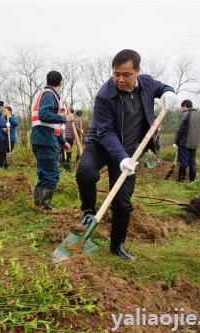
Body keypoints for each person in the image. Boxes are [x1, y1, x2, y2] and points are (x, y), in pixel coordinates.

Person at [76, 49, 176, 260]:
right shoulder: (105, 96)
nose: (120, 79)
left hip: (130, 152)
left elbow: (162, 87)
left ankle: (117, 246)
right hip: (101, 144)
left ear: (137, 71)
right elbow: (106, 132)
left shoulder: (147, 83)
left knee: (122, 202)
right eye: (116, 74)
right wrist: (119, 157)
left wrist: (169, 92)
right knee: (85, 172)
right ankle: (88, 212)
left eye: (126, 74)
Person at [31, 71, 74, 210]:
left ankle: (39, 204)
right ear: (60, 82)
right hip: (44, 139)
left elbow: (51, 125)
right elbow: (44, 115)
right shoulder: (49, 94)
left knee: (44, 173)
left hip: (42, 137)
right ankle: (44, 206)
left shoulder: (44, 93)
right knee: (51, 174)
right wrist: (64, 118)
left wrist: (62, 142)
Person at [174, 99, 200, 182]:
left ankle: (180, 179)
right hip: (195, 144)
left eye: (182, 107)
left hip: (185, 143)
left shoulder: (185, 114)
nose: (182, 109)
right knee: (192, 162)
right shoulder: (198, 115)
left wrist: (176, 142)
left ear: (185, 106)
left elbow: (180, 128)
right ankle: (192, 180)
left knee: (183, 162)